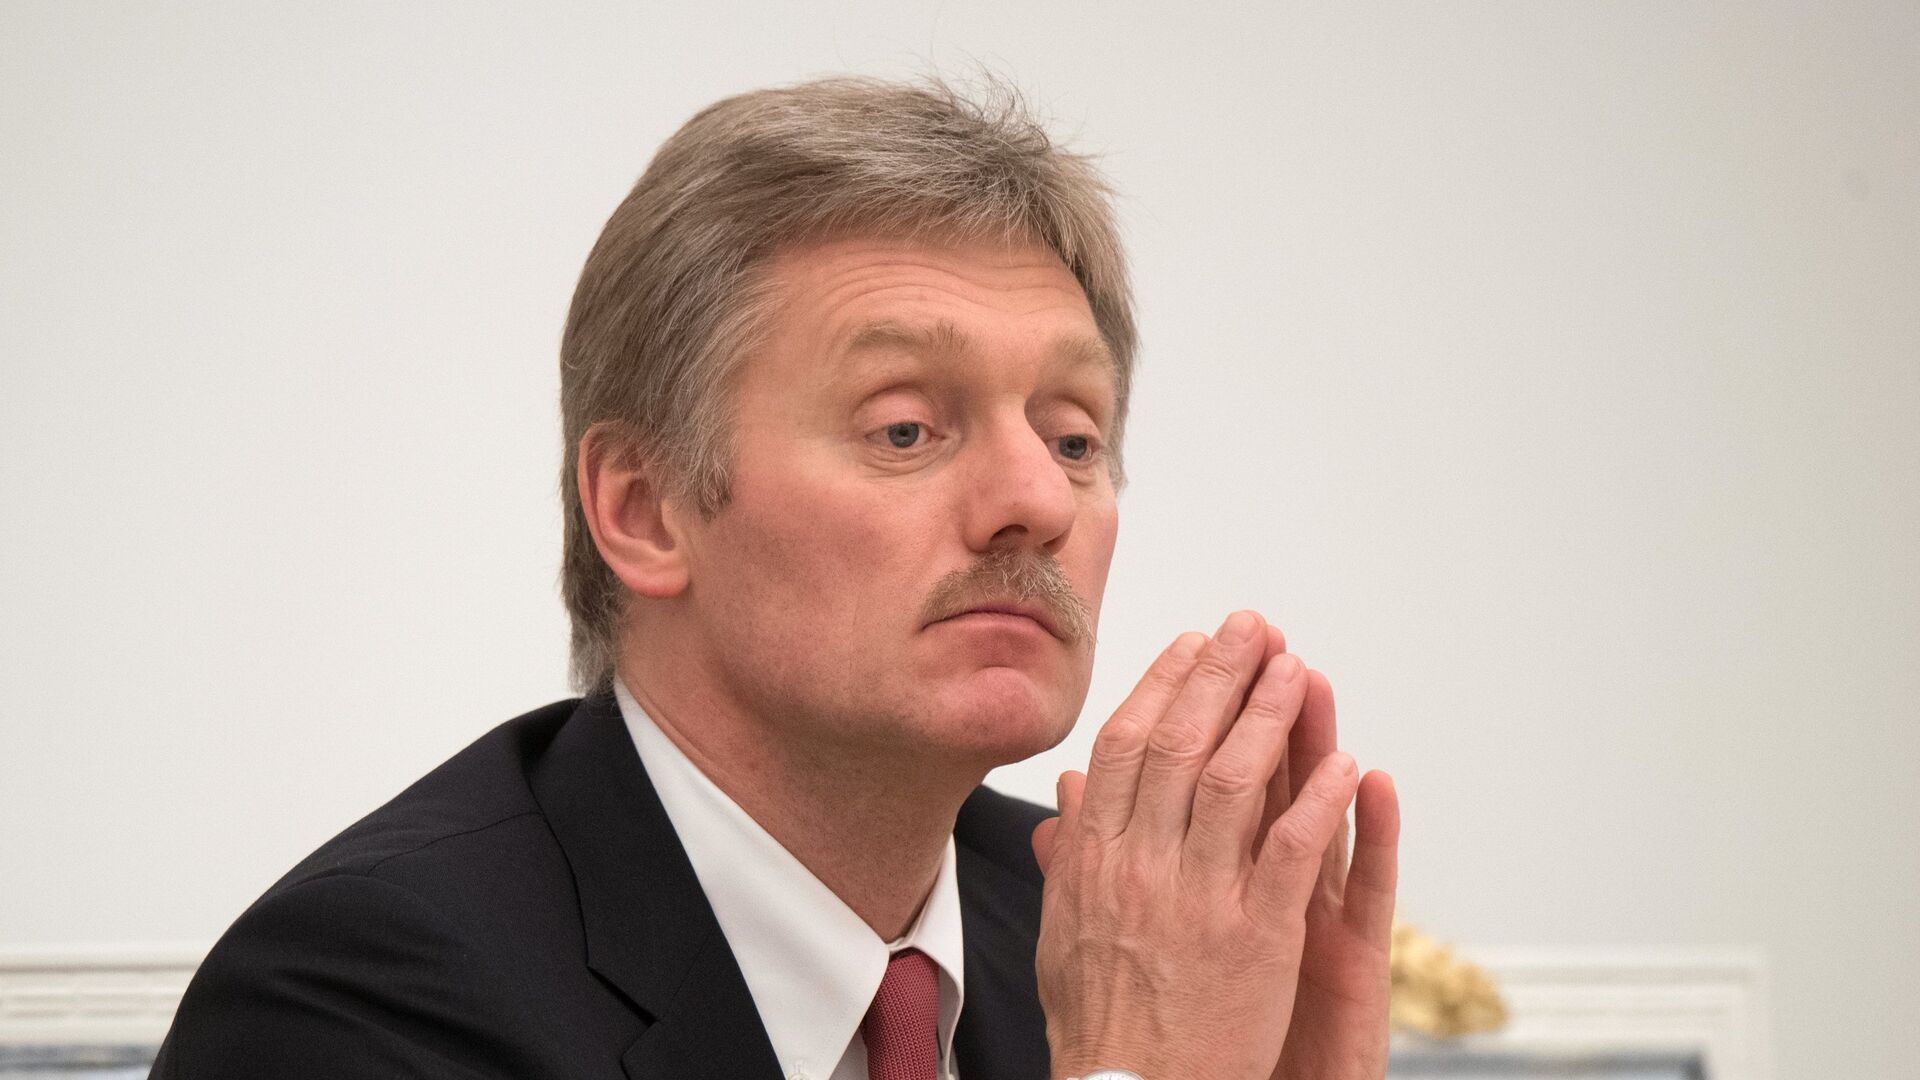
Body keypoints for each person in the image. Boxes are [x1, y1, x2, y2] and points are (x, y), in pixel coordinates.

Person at [149, 75, 1400, 1080]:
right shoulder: (358, 997)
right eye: (906, 427)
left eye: (1074, 437)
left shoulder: (1097, 929)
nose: (1037, 499)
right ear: (643, 512)